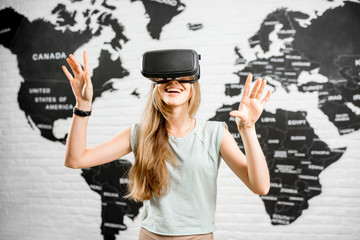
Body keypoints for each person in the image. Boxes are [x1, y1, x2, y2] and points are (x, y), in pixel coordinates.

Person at [62, 51, 272, 240]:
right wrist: (83, 105)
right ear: (155, 87)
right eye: (165, 78)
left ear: (193, 89)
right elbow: (76, 159)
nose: (173, 82)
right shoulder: (140, 134)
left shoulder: (214, 133)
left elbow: (260, 186)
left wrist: (248, 129)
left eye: (182, 77)